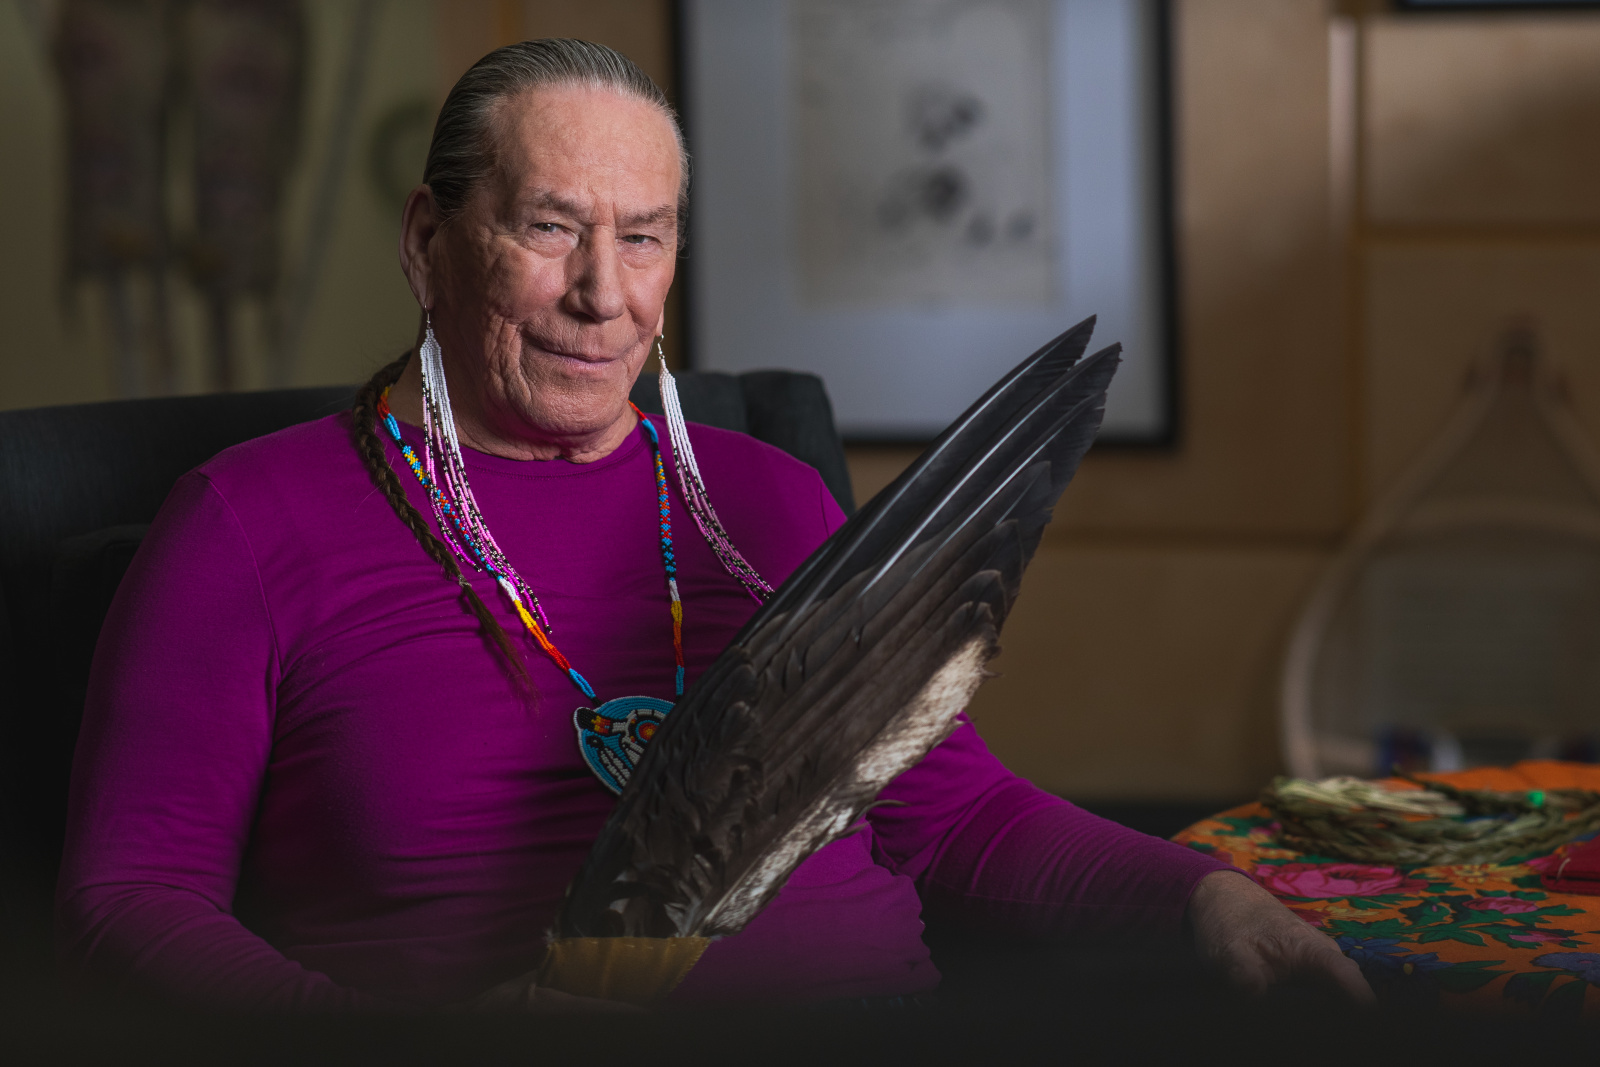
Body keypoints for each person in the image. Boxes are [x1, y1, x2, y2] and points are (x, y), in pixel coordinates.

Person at [56, 39, 1370, 1012]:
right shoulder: (247, 518)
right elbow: (130, 898)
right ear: (428, 240)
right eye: (549, 227)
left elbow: (952, 814)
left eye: (644, 236)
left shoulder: (767, 497)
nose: (601, 295)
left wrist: (1205, 898)